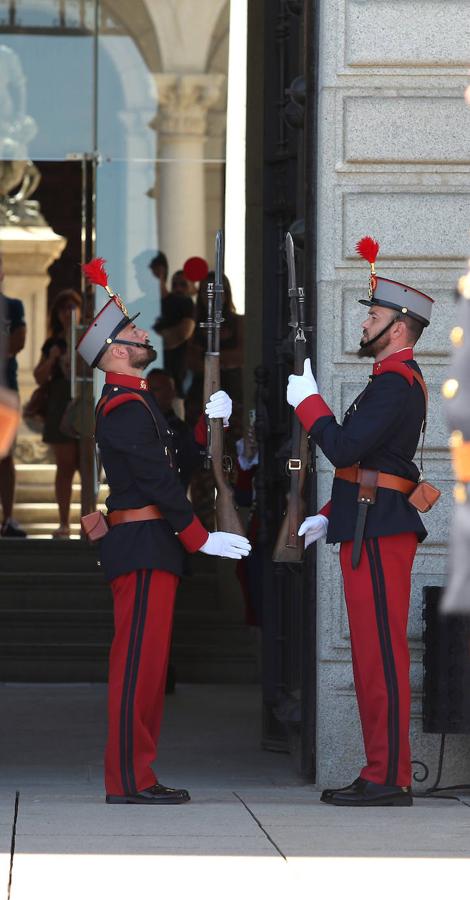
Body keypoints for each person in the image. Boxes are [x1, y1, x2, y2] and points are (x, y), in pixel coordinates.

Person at [77, 258, 250, 805]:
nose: (142, 335)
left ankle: (139, 774)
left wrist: (208, 420)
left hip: (154, 547)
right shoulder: (124, 407)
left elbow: (178, 454)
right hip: (144, 545)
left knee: (149, 672)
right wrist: (199, 536)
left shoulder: (141, 402)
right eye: (131, 333)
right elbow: (156, 477)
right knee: (137, 670)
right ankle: (128, 780)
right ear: (114, 352)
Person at [286, 236, 434, 808]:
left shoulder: (396, 383)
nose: (365, 322)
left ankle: (388, 776)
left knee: (382, 655)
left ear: (398, 328)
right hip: (366, 522)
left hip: (379, 530)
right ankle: (383, 771)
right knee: (372, 653)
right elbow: (370, 467)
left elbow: (346, 449)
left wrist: (311, 405)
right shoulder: (387, 382)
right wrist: (329, 513)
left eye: (373, 315)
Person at [33, 289, 82, 538]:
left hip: (84, 403)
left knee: (87, 466)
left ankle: (89, 521)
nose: (68, 312)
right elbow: (39, 377)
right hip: (60, 402)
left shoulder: (87, 339)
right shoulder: (53, 343)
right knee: (64, 467)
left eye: (72, 307)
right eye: (63, 308)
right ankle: (64, 522)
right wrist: (52, 359)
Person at [0, 253, 26, 536]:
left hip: (5, 389)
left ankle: (7, 517)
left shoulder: (13, 307)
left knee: (5, 456)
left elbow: (19, 340)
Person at [146, 368, 200, 491]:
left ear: (171, 392)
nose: (149, 394)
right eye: (146, 390)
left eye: (155, 389)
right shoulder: (138, 426)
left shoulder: (182, 432)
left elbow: (188, 469)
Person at [153, 281, 195, 402]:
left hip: (177, 386)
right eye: (175, 285)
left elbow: (178, 336)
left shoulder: (187, 307)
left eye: (183, 284)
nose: (178, 289)